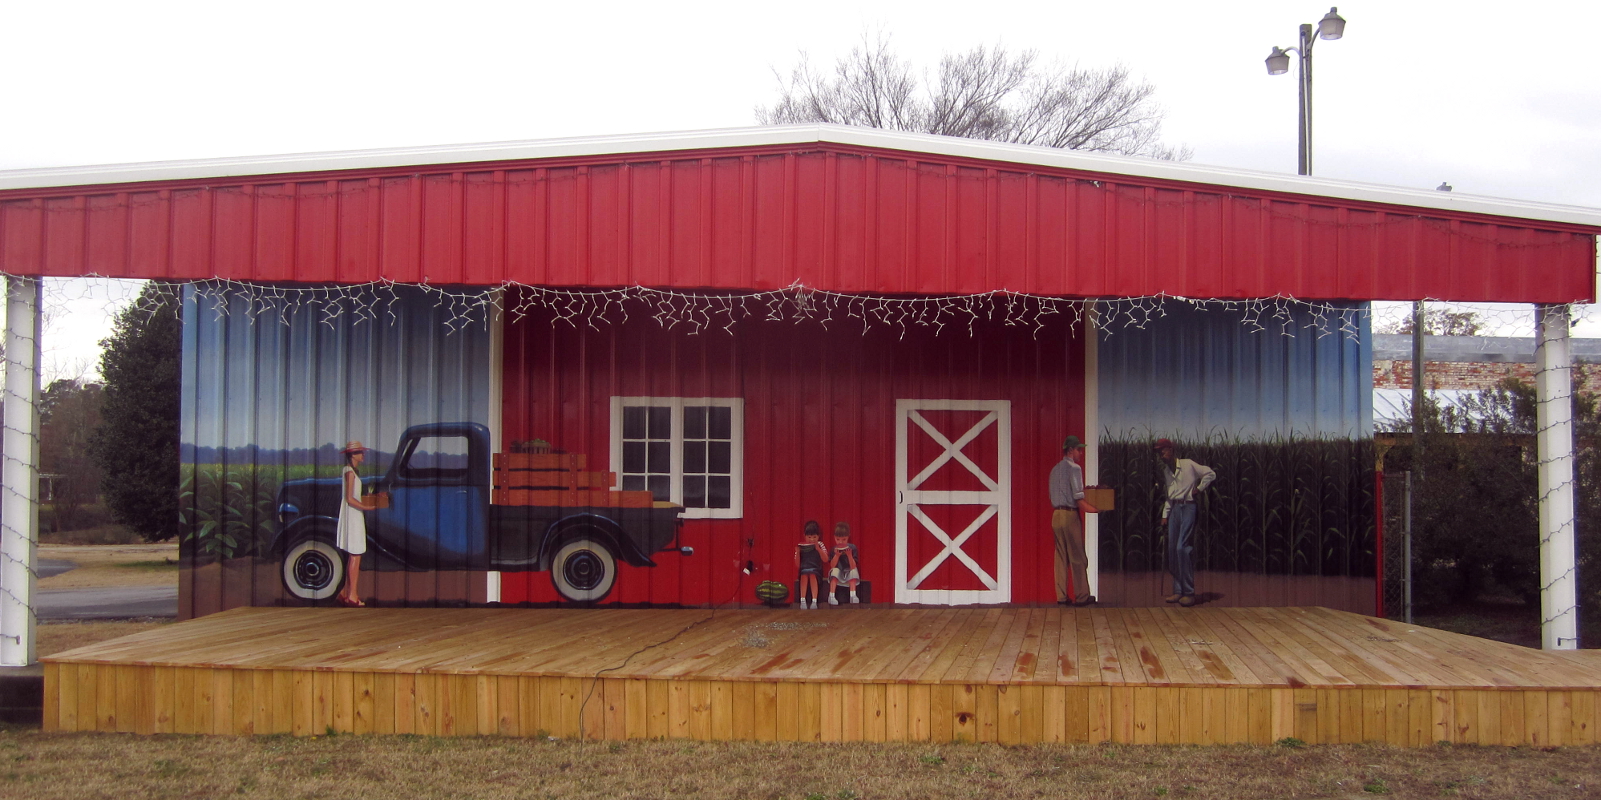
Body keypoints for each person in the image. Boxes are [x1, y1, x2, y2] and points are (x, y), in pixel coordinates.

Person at [1154, 438, 1216, 608]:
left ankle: (1189, 592)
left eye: (1163, 450)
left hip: (1188, 507)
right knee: (1173, 549)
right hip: (1174, 509)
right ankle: (1178, 590)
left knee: (1183, 548)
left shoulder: (1188, 464)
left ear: (1171, 450)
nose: (1160, 454)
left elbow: (1210, 473)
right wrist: (1165, 515)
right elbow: (1169, 495)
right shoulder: (1167, 471)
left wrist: (1200, 489)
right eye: (1158, 451)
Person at [1049, 437, 1098, 606]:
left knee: (1061, 557)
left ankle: (1061, 596)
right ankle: (1082, 596)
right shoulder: (1075, 469)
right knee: (1077, 556)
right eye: (1078, 449)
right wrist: (1095, 509)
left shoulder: (1055, 470)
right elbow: (1078, 498)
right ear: (1071, 450)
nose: (1081, 453)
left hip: (1056, 515)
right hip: (1069, 515)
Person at [336, 440, 379, 607]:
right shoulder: (349, 472)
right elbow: (349, 498)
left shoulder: (352, 471)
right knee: (356, 554)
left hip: (354, 514)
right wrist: (367, 507)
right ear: (352, 455)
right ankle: (352, 595)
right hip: (352, 515)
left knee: (354, 555)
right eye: (360, 452)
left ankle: (345, 592)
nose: (363, 455)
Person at [794, 520, 827, 609]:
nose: (812, 539)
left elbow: (825, 559)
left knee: (812, 575)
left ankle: (814, 601)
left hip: (816, 569)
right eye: (809, 537)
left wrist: (818, 549)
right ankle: (803, 600)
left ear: (818, 536)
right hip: (804, 569)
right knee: (804, 575)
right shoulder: (800, 545)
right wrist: (797, 552)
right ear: (805, 536)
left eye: (814, 537)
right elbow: (797, 564)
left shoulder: (820, 544)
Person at [826, 522, 861, 605]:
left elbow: (853, 566)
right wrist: (837, 555)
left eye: (844, 539)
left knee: (854, 571)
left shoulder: (852, 548)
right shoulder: (833, 549)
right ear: (834, 538)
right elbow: (832, 565)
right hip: (838, 573)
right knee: (834, 571)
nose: (840, 542)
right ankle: (831, 596)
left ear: (848, 537)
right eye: (838, 539)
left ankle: (853, 595)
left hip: (848, 572)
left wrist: (849, 555)